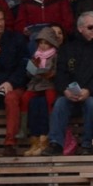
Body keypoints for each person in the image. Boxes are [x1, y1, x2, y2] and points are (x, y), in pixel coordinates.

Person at [42, 12, 93, 156]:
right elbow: (61, 73)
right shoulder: (68, 48)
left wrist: (89, 90)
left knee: (91, 103)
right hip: (72, 94)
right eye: (90, 27)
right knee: (60, 103)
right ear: (80, 28)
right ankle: (55, 144)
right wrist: (66, 90)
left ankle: (87, 144)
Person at [0, 6, 29, 157]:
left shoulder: (16, 39)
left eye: (2, 19)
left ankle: (10, 144)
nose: (0, 23)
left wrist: (11, 83)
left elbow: (24, 65)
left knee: (11, 98)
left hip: (12, 86)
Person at [18, 26, 60, 155]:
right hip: (35, 85)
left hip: (48, 84)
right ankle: (24, 129)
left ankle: (51, 129)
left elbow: (52, 71)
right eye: (41, 43)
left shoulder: (54, 56)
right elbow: (29, 73)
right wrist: (32, 69)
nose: (43, 46)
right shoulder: (35, 56)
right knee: (25, 98)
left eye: (46, 43)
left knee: (50, 98)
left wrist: (41, 72)